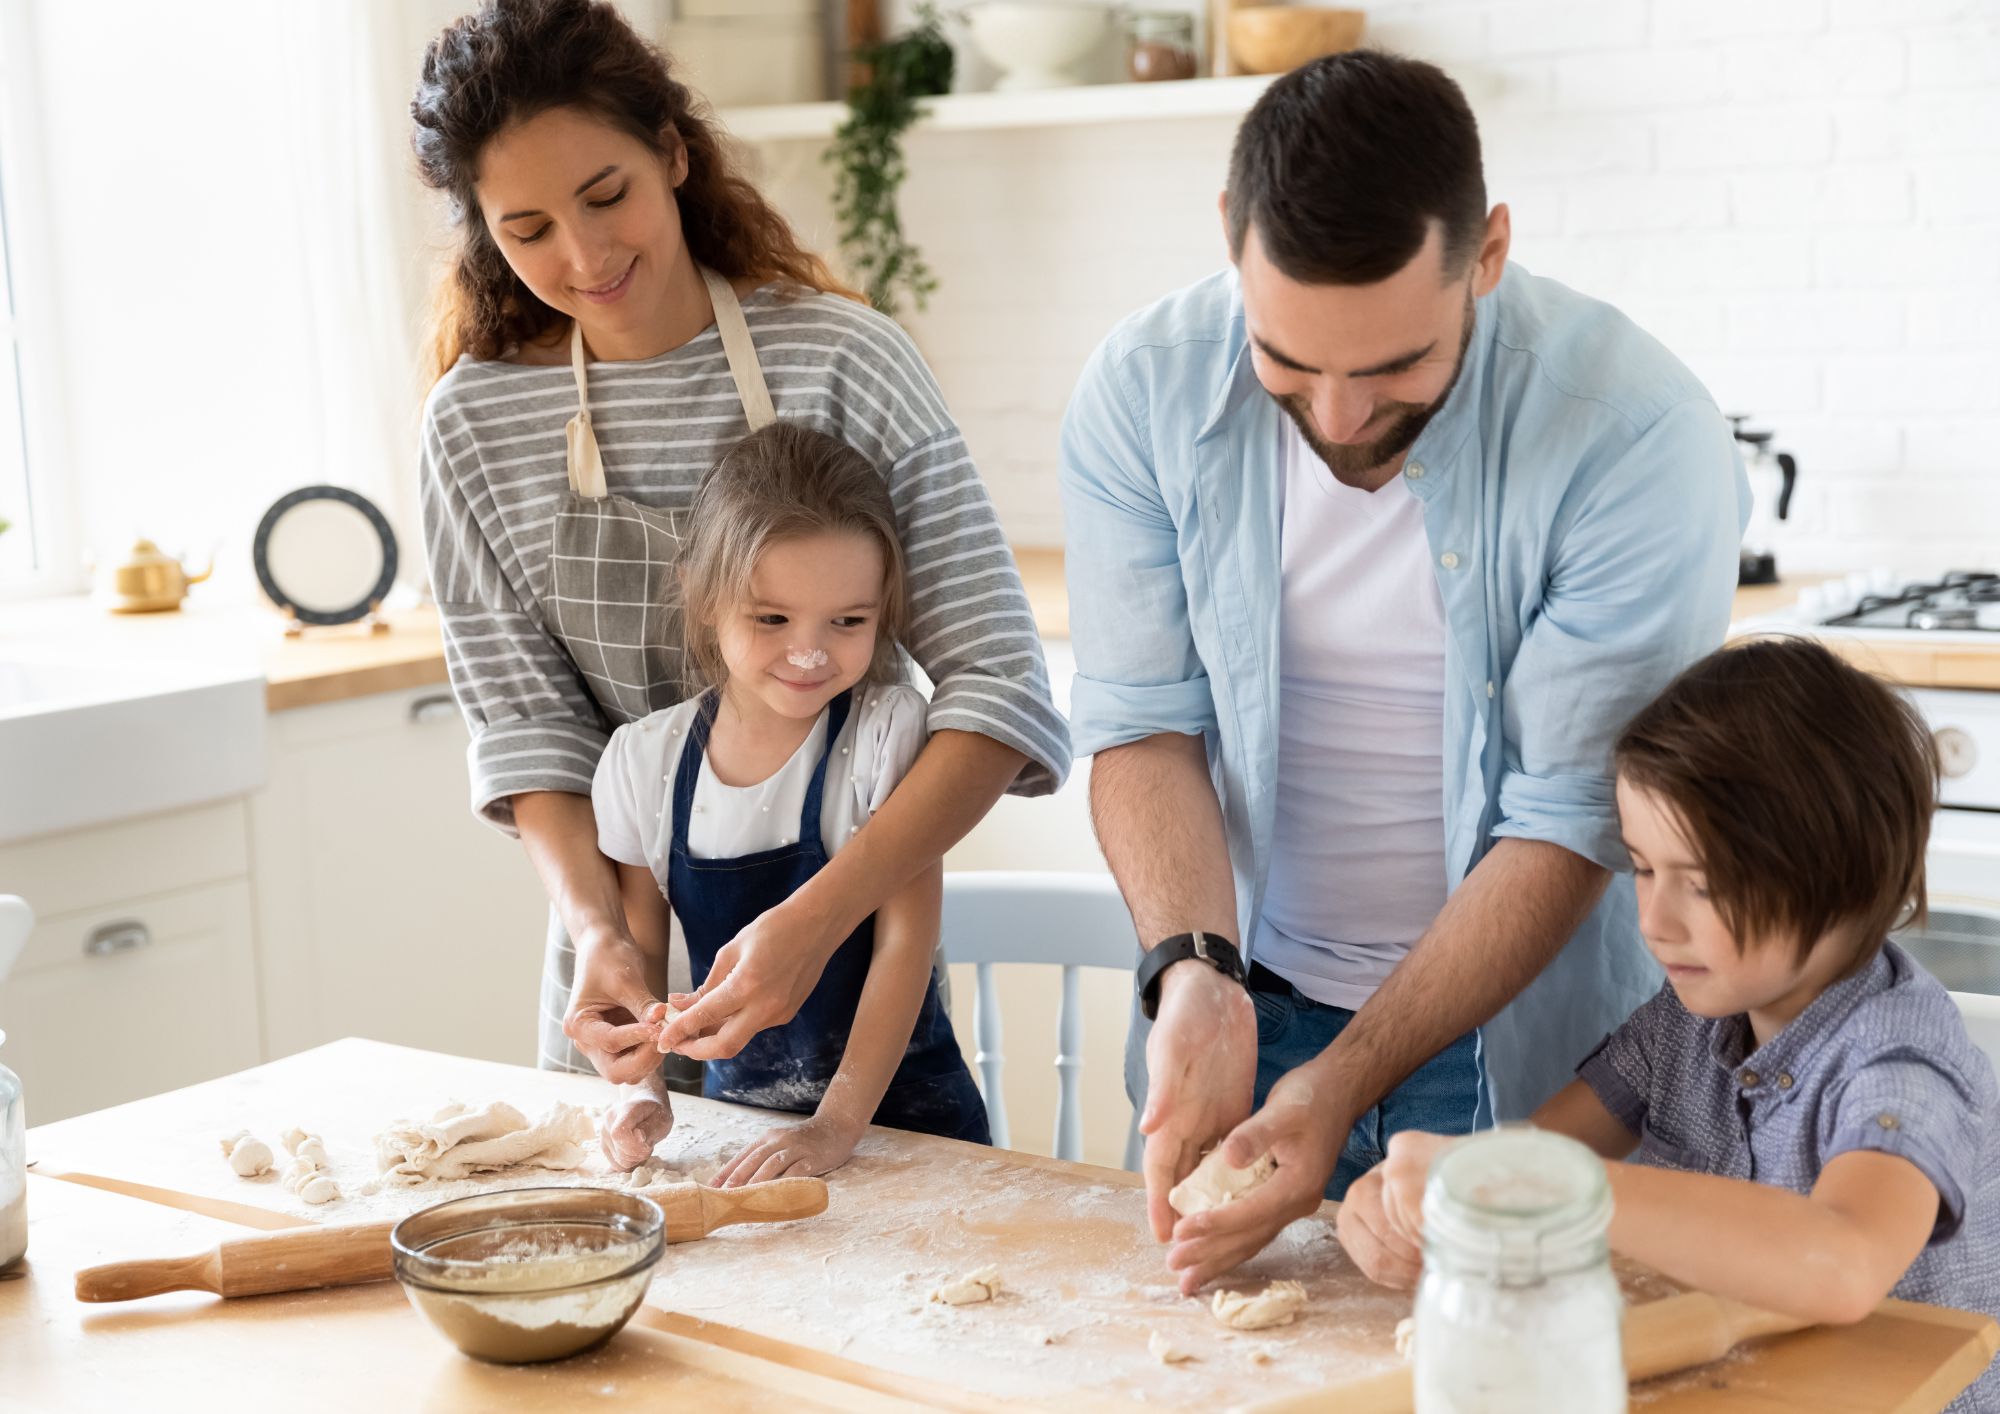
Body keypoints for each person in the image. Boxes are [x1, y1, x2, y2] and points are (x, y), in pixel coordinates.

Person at [1058, 49, 1748, 1293]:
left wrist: (1343, 1078)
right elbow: (1143, 726)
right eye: (1286, 362)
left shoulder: (1633, 435)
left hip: (1536, 1059)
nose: (1333, 417)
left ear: (1483, 253)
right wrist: (1195, 975)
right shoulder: (1141, 390)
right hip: (1238, 1013)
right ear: (1229, 236)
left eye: (1389, 370)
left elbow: (1564, 820)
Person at [410, 0, 1068, 1089]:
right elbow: (529, 732)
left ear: (671, 152)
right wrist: (602, 937)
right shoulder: (473, 425)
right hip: (618, 993)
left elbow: (998, 688)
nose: (582, 255)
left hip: (846, 967)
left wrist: (816, 919)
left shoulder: (843, 360)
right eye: (526, 230)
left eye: (605, 195)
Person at [1338, 637, 1999, 1412]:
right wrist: (1428, 1207)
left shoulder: (1898, 1063)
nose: (1654, 921)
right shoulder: (1682, 1027)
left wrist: (1545, 1187)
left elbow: (1844, 1262)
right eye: (1644, 868)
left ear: (1846, 875)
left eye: (1705, 886)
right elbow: (1534, 1155)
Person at [593, 422, 989, 1184]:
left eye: (849, 621)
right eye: (771, 618)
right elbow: (640, 963)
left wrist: (836, 1126)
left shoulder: (887, 733)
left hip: (910, 1129)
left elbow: (904, 949)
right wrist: (642, 1089)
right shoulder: (644, 764)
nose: (810, 651)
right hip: (745, 1136)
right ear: (703, 598)